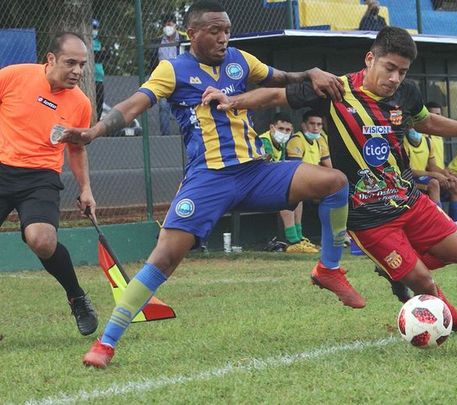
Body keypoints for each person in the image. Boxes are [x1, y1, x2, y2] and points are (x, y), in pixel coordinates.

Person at [60, 1, 361, 369]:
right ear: (192, 34)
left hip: (256, 172)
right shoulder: (173, 69)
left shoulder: (240, 60)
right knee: (165, 257)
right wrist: (95, 130)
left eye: (227, 31)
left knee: (334, 182)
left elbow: (281, 78)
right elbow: (134, 105)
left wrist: (310, 72)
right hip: (208, 180)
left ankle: (329, 269)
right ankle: (106, 344)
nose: (223, 38)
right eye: (215, 31)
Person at [204, 26, 457, 334]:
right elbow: (274, 95)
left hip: (409, 200)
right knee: (424, 282)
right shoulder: (335, 90)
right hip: (368, 217)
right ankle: (455, 321)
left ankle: (395, 270)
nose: (394, 78)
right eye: (389, 68)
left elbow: (427, 122)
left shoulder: (407, 93)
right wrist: (233, 102)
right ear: (370, 59)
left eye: (402, 72)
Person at [0, 32, 98, 336]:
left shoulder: (81, 104)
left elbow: (77, 148)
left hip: (41, 176)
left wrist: (85, 189)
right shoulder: (13, 76)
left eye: (82, 65)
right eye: (71, 63)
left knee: (42, 240)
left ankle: (77, 297)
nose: (77, 72)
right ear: (51, 59)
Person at [257, 112, 318, 253]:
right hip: (254, 184)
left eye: (287, 130)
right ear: (272, 128)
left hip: (267, 183)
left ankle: (299, 236)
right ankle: (293, 240)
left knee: (298, 192)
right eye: (281, 129)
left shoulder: (282, 145)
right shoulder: (264, 141)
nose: (284, 133)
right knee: (285, 193)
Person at [282, 110, 331, 253]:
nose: (316, 128)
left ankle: (335, 237)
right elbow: (296, 169)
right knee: (294, 193)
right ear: (303, 125)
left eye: (319, 124)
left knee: (340, 191)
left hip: (311, 183)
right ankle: (293, 240)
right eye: (312, 124)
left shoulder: (320, 140)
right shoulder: (297, 140)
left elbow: (330, 167)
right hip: (295, 181)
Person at [403, 128, 457, 221]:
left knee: (454, 185)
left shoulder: (428, 142)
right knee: (434, 184)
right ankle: (440, 223)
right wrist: (434, 175)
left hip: (425, 177)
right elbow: (406, 171)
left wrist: (447, 175)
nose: (415, 129)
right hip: (408, 179)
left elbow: (432, 166)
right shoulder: (402, 143)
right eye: (411, 126)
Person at [151, 14, 187, 135]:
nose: (168, 26)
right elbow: (152, 61)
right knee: (163, 107)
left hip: (181, 77)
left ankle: (185, 132)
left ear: (175, 25)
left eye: (170, 24)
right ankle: (165, 135)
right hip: (164, 79)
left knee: (183, 106)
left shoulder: (183, 38)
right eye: (166, 24)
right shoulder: (158, 41)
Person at [92, 18, 108, 120]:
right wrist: (99, 54)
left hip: (99, 77)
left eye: (96, 28)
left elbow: (105, 55)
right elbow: (93, 56)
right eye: (93, 27)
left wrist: (99, 54)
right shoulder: (87, 42)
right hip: (90, 78)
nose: (94, 30)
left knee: (99, 102)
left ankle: (97, 121)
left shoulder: (98, 41)